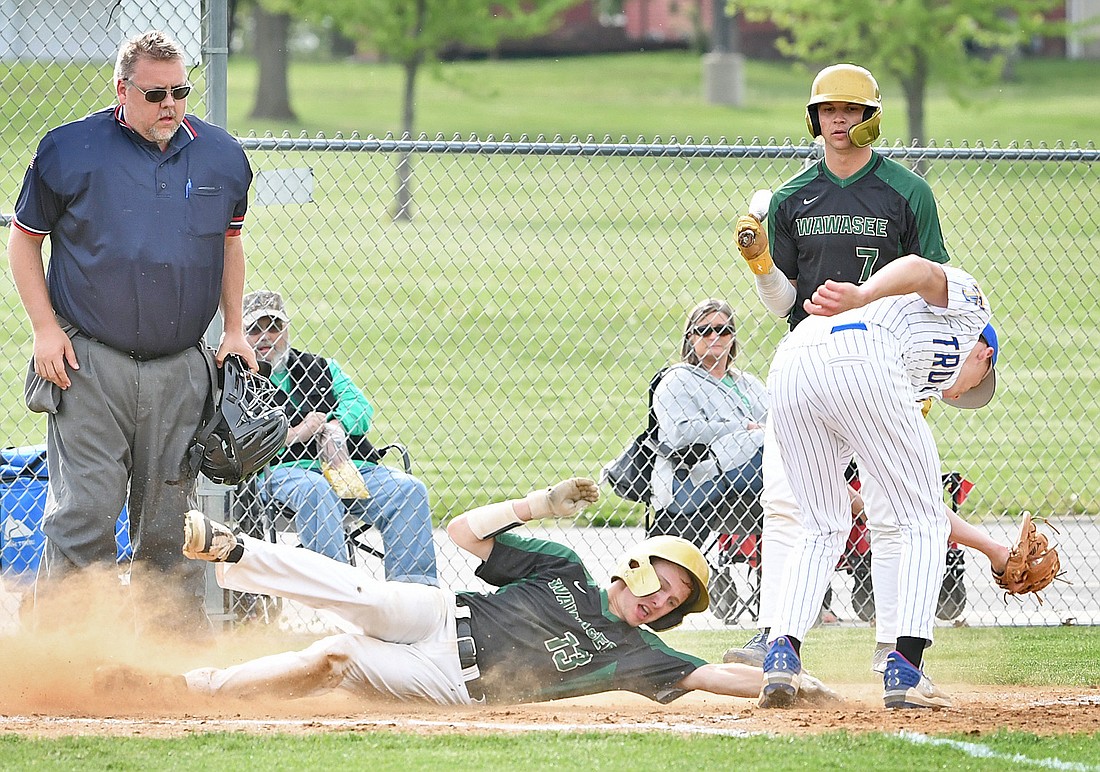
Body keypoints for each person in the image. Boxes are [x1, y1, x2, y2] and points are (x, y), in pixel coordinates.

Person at [727, 62, 1008, 671]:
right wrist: (761, 266)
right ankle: (901, 661)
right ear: (813, 118)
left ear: (870, 118)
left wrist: (863, 295)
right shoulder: (792, 197)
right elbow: (789, 302)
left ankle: (786, 649)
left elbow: (923, 278)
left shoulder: (907, 192)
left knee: (844, 518)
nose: (837, 120)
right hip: (843, 356)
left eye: (850, 110)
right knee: (889, 514)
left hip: (827, 365)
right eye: (828, 110)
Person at [155, 478, 838, 706]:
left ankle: (195, 690)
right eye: (665, 585)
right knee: (365, 596)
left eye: (674, 603)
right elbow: (463, 531)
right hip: (438, 614)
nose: (662, 602)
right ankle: (236, 548)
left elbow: (717, 674)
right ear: (637, 565)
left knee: (332, 656)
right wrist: (540, 503)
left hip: (451, 684)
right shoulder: (564, 569)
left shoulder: (642, 653)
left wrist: (794, 683)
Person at [6, 30, 255, 631]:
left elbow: (229, 240)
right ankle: (65, 659)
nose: (169, 104)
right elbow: (24, 241)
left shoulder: (221, 155)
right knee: (84, 517)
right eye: (154, 93)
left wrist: (235, 330)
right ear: (123, 90)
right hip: (90, 362)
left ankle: (167, 668)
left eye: (181, 91)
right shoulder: (70, 149)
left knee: (170, 524)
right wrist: (44, 328)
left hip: (178, 367)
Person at [759, 255, 998, 709]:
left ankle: (781, 655)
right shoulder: (974, 312)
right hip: (859, 350)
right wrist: (864, 294)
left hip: (793, 360)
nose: (963, 392)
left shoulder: (914, 377)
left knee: (822, 525)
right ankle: (905, 666)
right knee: (924, 521)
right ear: (985, 353)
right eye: (976, 383)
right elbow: (920, 269)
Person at [241, 289, 437, 586]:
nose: (265, 336)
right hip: (282, 472)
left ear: (286, 330)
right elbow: (243, 436)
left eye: (274, 327)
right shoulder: (239, 378)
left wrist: (335, 426)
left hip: (345, 468)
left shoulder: (321, 367)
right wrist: (296, 433)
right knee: (317, 491)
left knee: (409, 490)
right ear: (241, 335)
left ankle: (414, 594)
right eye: (254, 330)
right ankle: (342, 595)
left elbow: (361, 408)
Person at [648, 299, 766, 549]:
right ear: (690, 337)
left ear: (733, 338)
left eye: (724, 330)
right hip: (695, 474)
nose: (715, 336)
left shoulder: (749, 384)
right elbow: (681, 433)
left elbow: (779, 424)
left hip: (758, 475)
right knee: (767, 443)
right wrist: (742, 428)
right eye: (705, 330)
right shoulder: (677, 379)